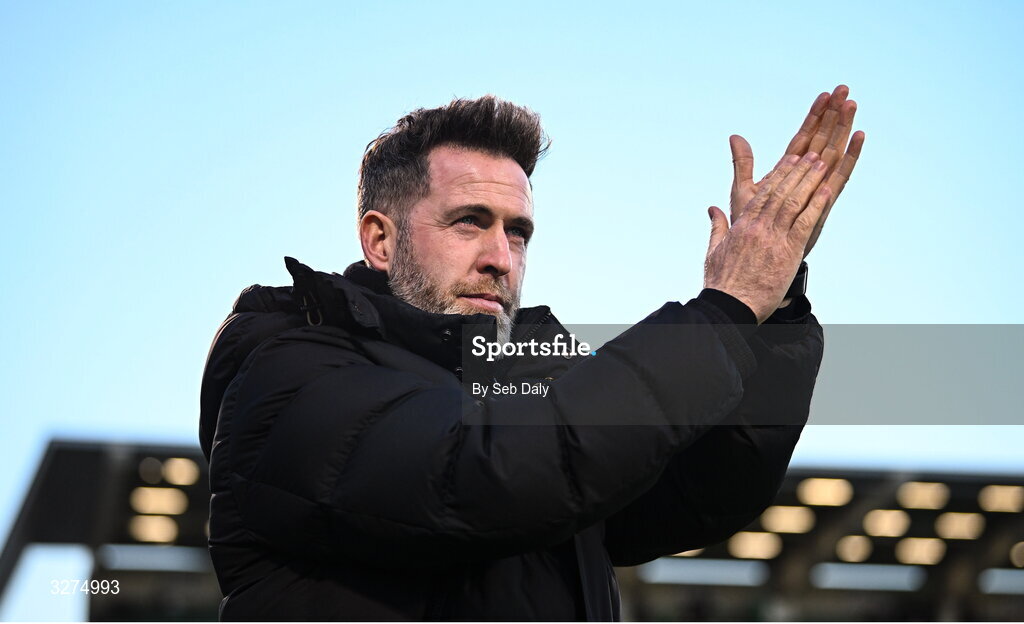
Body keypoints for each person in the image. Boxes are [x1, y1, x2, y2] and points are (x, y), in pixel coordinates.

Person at [199, 89, 863, 621]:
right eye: (470, 222)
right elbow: (488, 474)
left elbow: (700, 492)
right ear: (380, 240)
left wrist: (769, 308)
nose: (500, 258)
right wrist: (720, 314)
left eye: (517, 232)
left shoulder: (528, 385)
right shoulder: (289, 375)